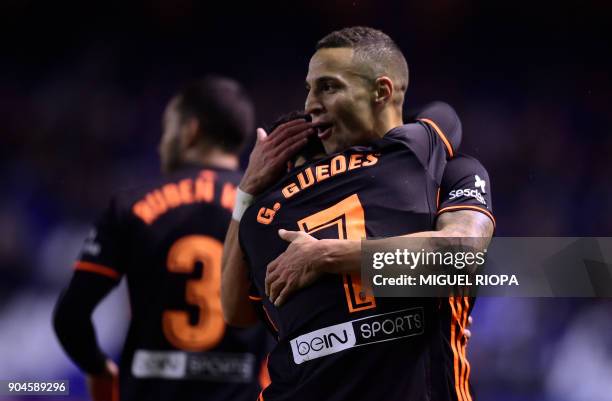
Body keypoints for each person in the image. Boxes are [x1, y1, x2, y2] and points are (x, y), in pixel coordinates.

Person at [222, 27, 494, 401]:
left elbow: (233, 310)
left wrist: (321, 253)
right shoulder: (424, 155)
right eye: (309, 89)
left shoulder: (264, 214)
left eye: (327, 87)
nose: (310, 105)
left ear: (381, 91)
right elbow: (458, 255)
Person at [53, 76, 278, 401]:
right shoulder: (268, 207)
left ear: (190, 130)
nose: (162, 144)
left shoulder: (131, 206)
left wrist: (99, 370)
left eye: (167, 130)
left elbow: (70, 316)